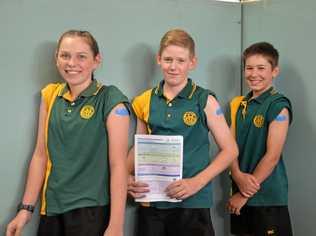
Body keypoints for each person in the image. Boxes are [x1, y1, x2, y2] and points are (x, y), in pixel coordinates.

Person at [6, 30, 130, 236]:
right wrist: (25, 210)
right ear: (56, 58)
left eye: (81, 56)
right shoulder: (50, 95)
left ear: (96, 60)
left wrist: (116, 225)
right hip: (52, 209)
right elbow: (40, 155)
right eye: (65, 55)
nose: (71, 63)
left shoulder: (111, 98)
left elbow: (118, 166)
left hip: (92, 211)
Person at [127, 28, 238, 236]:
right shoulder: (144, 100)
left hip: (192, 203)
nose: (173, 67)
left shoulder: (204, 100)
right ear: (159, 59)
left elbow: (230, 150)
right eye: (168, 59)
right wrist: (126, 176)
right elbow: (139, 145)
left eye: (180, 60)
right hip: (153, 202)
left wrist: (196, 182)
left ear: (192, 63)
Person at [227, 42, 293, 236]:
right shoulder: (240, 105)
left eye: (261, 68)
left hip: (267, 200)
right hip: (238, 195)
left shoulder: (278, 105)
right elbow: (229, 147)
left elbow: (272, 156)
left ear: (275, 71)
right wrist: (237, 175)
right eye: (249, 68)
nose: (253, 74)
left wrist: (244, 194)